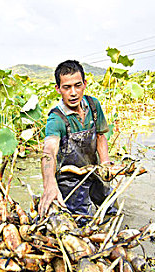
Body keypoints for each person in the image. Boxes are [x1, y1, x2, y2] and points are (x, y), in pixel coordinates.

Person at [38, 60, 114, 222]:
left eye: (77, 85)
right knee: (80, 222)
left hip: (94, 170)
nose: (73, 93)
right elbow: (49, 151)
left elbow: (100, 136)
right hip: (69, 180)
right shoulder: (56, 118)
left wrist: (105, 163)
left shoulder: (94, 105)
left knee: (110, 208)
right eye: (67, 87)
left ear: (85, 84)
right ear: (58, 89)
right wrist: (49, 184)